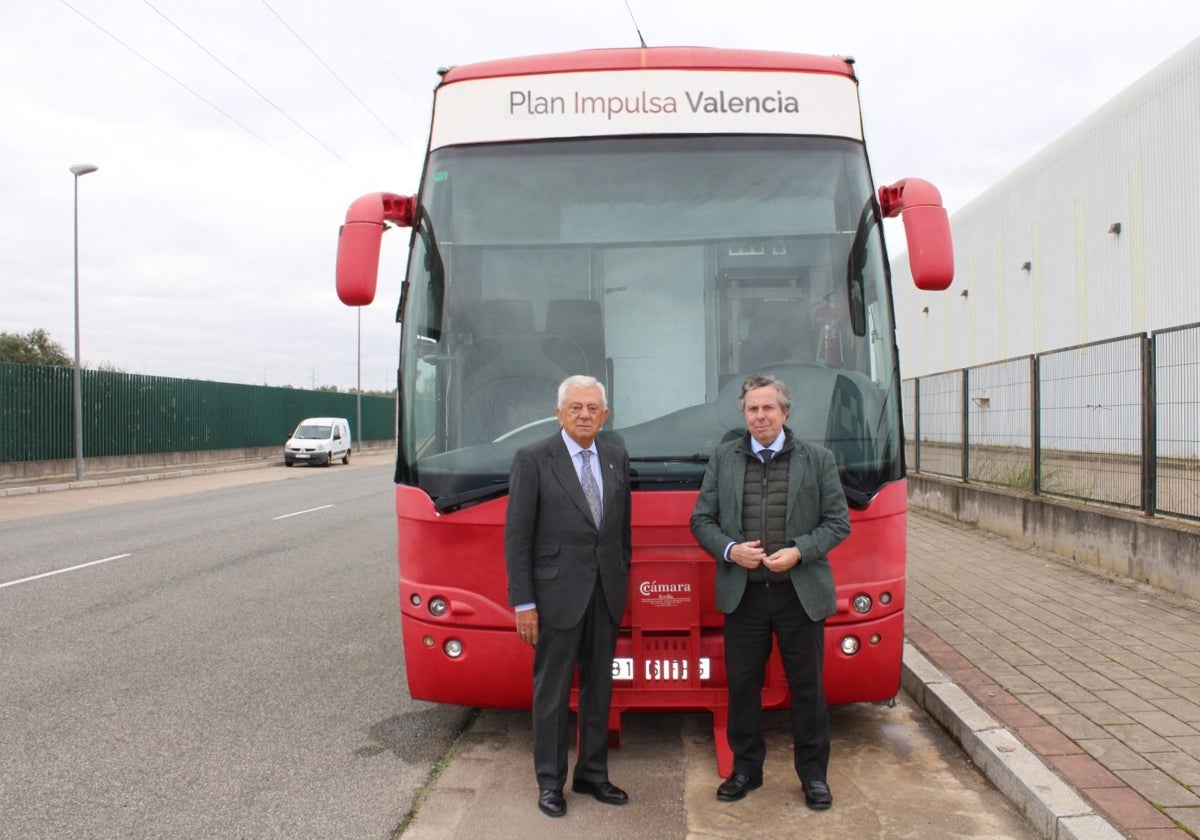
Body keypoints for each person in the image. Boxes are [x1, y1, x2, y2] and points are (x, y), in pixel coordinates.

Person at [690, 373, 850, 810]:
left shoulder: (817, 459)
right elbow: (701, 520)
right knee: (742, 687)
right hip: (744, 595)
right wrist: (729, 550)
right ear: (744, 415)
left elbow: (838, 522)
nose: (760, 416)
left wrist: (799, 552)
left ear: (785, 411)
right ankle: (746, 770)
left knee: (808, 690)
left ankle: (814, 777)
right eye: (752, 409)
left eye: (768, 408)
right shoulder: (724, 458)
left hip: (799, 595)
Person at [505, 374, 633, 818]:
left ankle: (593, 774)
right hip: (554, 598)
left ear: (605, 415)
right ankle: (550, 783)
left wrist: (619, 576)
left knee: (599, 689)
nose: (584, 414)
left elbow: (620, 534)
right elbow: (517, 538)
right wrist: (524, 603)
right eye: (575, 407)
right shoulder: (533, 459)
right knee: (553, 694)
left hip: (604, 595)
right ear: (559, 413)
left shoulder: (616, 457)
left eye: (592, 408)